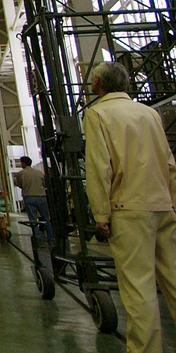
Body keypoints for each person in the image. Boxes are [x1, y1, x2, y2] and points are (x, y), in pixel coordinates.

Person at [84, 62, 176, 353]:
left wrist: (101, 214)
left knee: (139, 290)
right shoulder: (149, 114)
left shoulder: (97, 113)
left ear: (98, 83)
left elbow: (99, 168)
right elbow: (169, 163)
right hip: (162, 205)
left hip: (128, 209)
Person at [13, 155, 51, 243]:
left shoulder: (20, 174)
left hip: (29, 197)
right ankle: (50, 236)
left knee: (33, 220)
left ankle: (38, 238)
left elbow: (19, 184)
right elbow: (45, 184)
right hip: (42, 197)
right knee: (46, 218)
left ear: (23, 163)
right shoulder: (39, 173)